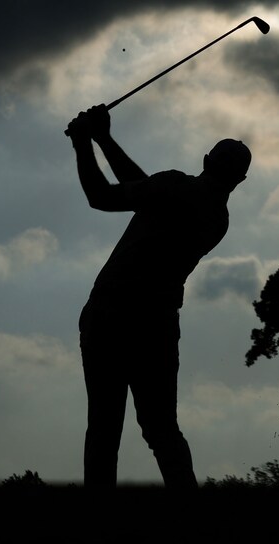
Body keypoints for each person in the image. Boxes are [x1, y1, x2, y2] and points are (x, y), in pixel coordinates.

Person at [65, 105, 251, 491]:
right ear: (240, 180)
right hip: (157, 325)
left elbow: (101, 196)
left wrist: (84, 144)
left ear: (205, 160)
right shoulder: (217, 219)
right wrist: (103, 138)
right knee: (162, 429)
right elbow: (145, 191)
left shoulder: (173, 187)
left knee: (104, 425)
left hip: (110, 313)